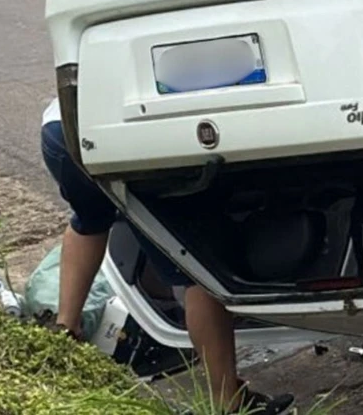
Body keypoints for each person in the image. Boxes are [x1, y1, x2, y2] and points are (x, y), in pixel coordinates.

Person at [41, 98, 295, 415]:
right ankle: (229, 403)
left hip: (63, 129)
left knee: (89, 219)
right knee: (199, 269)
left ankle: (63, 336)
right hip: (135, 142)